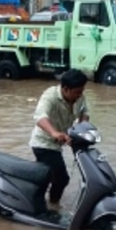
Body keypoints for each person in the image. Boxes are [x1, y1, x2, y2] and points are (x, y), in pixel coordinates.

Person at [29, 69, 89, 209]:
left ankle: (44, 202)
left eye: (81, 91)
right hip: (43, 143)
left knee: (51, 176)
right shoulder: (50, 96)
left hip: (59, 143)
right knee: (61, 178)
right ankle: (52, 206)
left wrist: (82, 127)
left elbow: (84, 112)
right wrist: (54, 132)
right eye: (77, 92)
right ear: (66, 89)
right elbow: (39, 117)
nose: (80, 95)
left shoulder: (79, 96)